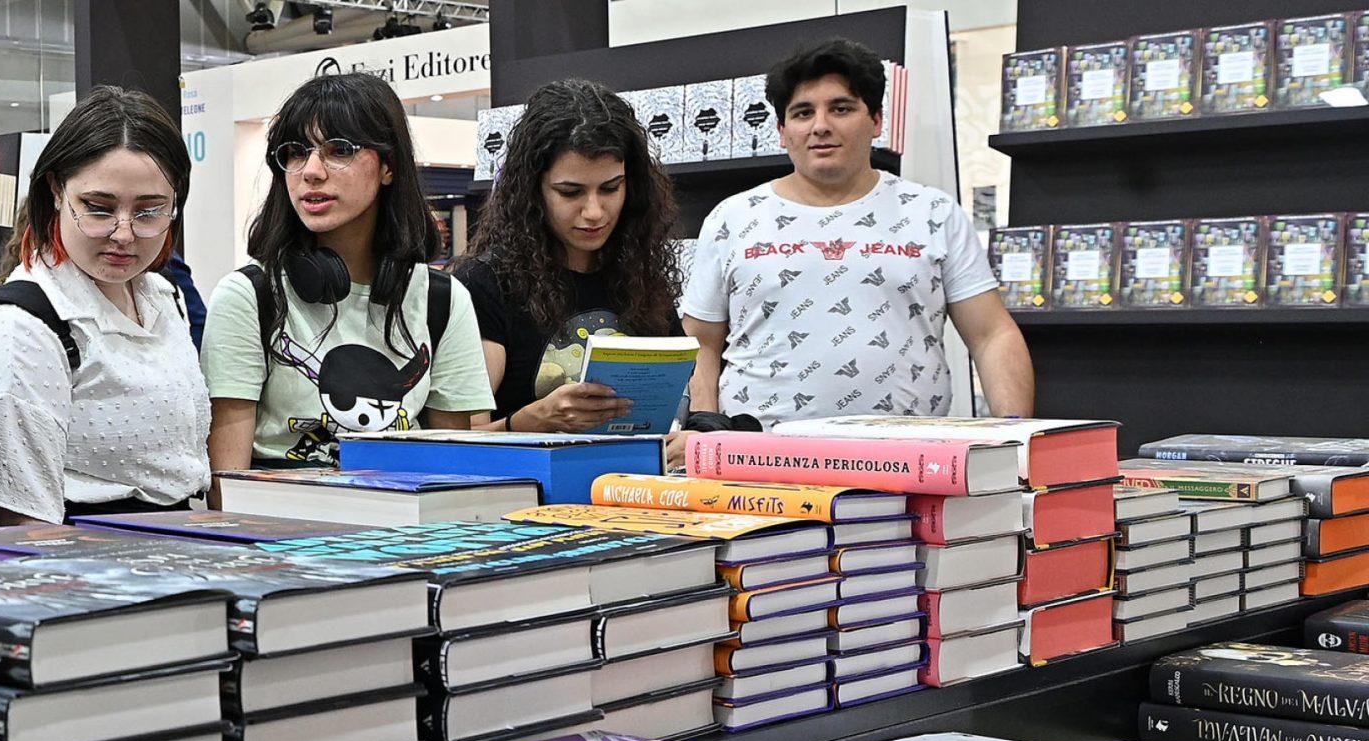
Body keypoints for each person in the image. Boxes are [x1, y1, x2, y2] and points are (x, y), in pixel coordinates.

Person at [680, 38, 1033, 427]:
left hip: (909, 458)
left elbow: (991, 335)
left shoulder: (933, 213)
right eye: (802, 113)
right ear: (782, 130)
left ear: (877, 120)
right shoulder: (733, 218)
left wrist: (1016, 438)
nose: (820, 126)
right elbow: (701, 344)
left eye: (841, 108)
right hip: (760, 458)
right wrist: (706, 430)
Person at [202, 71, 491, 470]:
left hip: (402, 524)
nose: (311, 171)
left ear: (388, 166)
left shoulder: (441, 299)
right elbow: (226, 483)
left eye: (339, 150)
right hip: (279, 525)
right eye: (296, 152)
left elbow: (450, 464)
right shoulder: (249, 296)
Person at [0, 86, 205, 524]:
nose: (124, 234)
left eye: (149, 211)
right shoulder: (21, 326)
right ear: (56, 192)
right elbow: (21, 522)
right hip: (87, 569)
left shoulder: (162, 295)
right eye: (98, 208)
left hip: (183, 555)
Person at [455, 79, 682, 433]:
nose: (594, 211)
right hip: (527, 486)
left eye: (610, 188)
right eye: (570, 192)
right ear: (533, 190)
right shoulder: (485, 285)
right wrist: (529, 421)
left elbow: (682, 400)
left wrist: (690, 435)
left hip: (633, 485)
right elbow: (458, 439)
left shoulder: (641, 275)